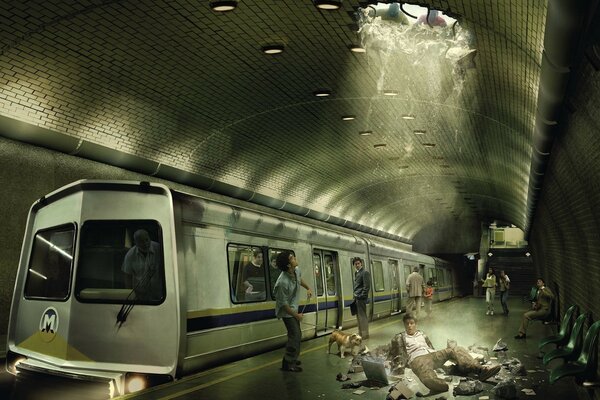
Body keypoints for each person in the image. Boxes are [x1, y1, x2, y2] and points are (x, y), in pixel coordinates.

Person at [390, 313, 501, 394]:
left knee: (454, 349)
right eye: (407, 324)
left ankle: (480, 370)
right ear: (404, 325)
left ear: (416, 324)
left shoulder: (422, 334)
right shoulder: (400, 337)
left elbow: (431, 347)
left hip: (432, 354)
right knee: (425, 371)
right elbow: (395, 354)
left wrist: (445, 359)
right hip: (418, 358)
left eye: (412, 323)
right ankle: (438, 384)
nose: (409, 326)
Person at [273, 250, 312, 372]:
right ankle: (288, 363)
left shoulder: (296, 270)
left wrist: (308, 288)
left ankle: (292, 358)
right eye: (292, 258)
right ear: (288, 265)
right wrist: (297, 315)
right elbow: (284, 305)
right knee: (295, 335)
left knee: (296, 334)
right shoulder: (282, 282)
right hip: (287, 312)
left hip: (294, 309)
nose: (295, 258)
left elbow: (299, 279)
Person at [121, 229, 162, 300]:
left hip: (160, 295)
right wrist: (130, 296)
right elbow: (127, 277)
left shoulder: (159, 249)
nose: (145, 243)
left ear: (149, 238)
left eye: (147, 240)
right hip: (140, 296)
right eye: (141, 241)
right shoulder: (130, 255)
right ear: (135, 242)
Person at [353, 257, 371, 339]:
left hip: (361, 298)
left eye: (358, 263)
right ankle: (360, 333)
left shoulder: (365, 273)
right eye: (355, 264)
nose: (357, 265)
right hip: (356, 298)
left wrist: (361, 296)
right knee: (359, 317)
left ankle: (365, 334)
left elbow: (366, 286)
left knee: (362, 316)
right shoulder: (356, 273)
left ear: (361, 263)